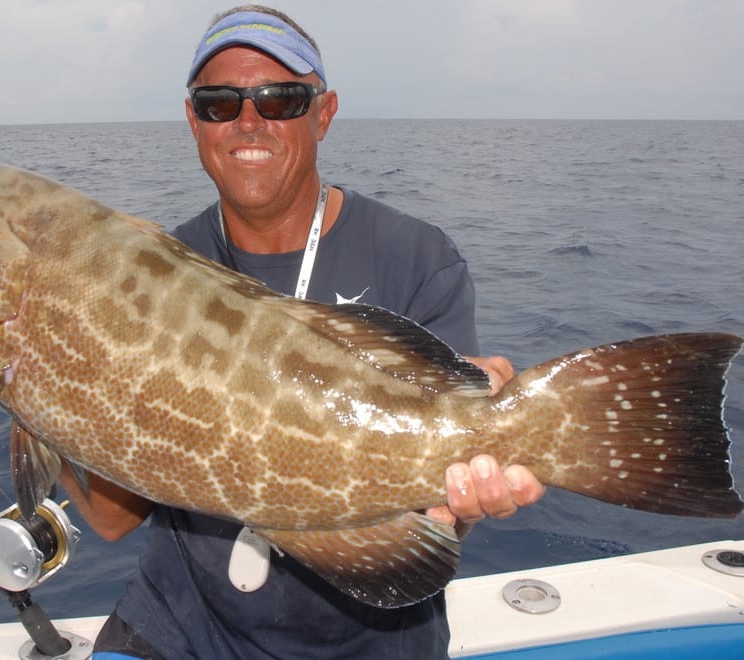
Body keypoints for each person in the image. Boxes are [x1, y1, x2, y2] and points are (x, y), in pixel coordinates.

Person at [60, 6, 546, 658]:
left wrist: (465, 490)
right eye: (219, 103)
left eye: (281, 99)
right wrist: (43, 372)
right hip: (181, 623)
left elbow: (437, 523)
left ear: (324, 112)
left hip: (371, 641)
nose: (249, 121)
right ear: (193, 120)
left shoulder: (415, 257)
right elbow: (111, 517)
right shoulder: (155, 270)